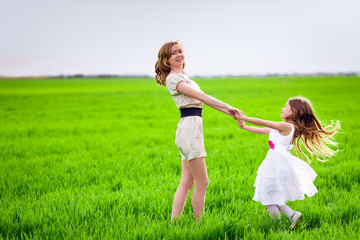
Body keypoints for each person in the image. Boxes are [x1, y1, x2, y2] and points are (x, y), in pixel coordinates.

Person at [155, 41, 241, 221]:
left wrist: (231, 113)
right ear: (166, 60)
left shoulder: (187, 78)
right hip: (189, 131)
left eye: (180, 51)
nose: (179, 55)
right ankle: (200, 224)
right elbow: (201, 96)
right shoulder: (173, 78)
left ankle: (174, 223)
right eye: (173, 53)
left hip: (191, 130)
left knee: (187, 182)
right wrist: (228, 105)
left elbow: (205, 103)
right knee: (203, 182)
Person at [234, 97, 340, 230]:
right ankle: (292, 215)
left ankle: (276, 226)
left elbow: (263, 122)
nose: (282, 108)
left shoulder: (287, 126)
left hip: (276, 164)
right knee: (270, 195)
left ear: (293, 111)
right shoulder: (283, 127)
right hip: (275, 163)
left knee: (268, 196)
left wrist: (244, 117)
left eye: (285, 107)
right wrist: (244, 127)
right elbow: (263, 130)